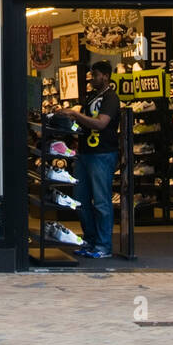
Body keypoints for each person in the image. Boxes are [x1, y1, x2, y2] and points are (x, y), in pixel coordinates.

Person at [58, 60, 121, 259]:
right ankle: (91, 240)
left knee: (102, 201)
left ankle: (104, 246)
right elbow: (86, 123)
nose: (92, 79)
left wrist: (76, 115)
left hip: (103, 153)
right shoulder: (92, 96)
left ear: (105, 76)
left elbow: (102, 124)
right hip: (85, 154)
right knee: (80, 200)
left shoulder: (111, 98)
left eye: (95, 75)